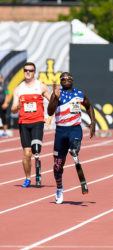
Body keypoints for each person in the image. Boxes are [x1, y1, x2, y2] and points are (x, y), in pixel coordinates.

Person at [47, 72, 96, 204]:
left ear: (72, 80)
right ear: (60, 81)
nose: (66, 80)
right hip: (61, 132)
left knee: (75, 146)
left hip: (74, 129)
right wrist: (55, 98)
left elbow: (89, 106)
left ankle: (74, 149)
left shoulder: (80, 94)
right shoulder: (58, 93)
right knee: (58, 165)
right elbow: (50, 112)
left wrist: (93, 122)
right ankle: (59, 188)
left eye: (68, 78)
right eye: (63, 78)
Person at [11, 62, 51, 188]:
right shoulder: (18, 89)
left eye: (30, 70)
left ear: (34, 72)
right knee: (27, 153)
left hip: (38, 121)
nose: (28, 72)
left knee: (36, 148)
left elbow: (53, 103)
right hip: (24, 123)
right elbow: (13, 109)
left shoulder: (41, 86)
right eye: (26, 70)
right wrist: (16, 107)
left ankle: (37, 159)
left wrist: (49, 117)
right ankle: (28, 178)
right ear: (23, 72)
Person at [0, 73, 10, 138]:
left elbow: (7, 94)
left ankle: (4, 132)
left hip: (2, 103)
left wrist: (6, 103)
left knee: (4, 118)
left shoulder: (4, 85)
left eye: (0, 78)